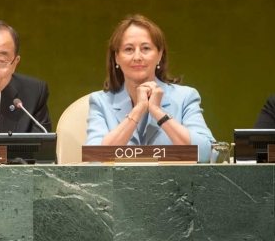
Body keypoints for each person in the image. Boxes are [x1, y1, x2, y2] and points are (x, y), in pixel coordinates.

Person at [85, 14, 215, 162]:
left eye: (146, 48)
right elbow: (94, 159)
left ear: (159, 55)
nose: (137, 57)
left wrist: (158, 112)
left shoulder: (185, 97)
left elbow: (207, 154)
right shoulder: (100, 102)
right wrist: (138, 110)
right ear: (117, 57)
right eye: (128, 49)